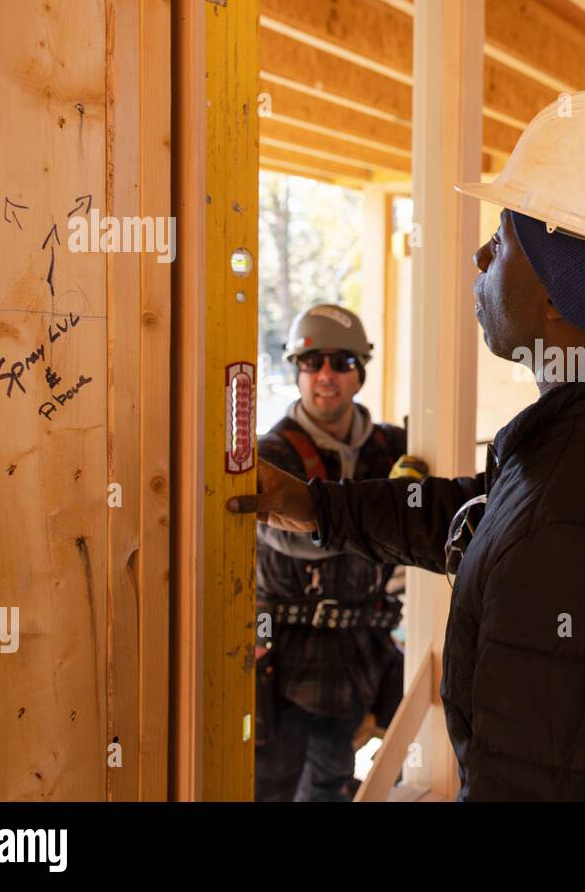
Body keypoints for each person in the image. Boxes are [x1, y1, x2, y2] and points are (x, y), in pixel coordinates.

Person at [229, 90, 585, 801]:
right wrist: (309, 504)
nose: (481, 255)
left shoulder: (580, 539)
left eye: (504, 239)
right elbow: (480, 514)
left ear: (562, 291)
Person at [254, 304, 409, 802]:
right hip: (284, 655)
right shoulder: (269, 455)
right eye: (312, 362)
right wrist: (388, 519)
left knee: (330, 783)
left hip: (361, 650)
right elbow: (288, 539)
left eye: (341, 362)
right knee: (271, 786)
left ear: (359, 372)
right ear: (296, 370)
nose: (326, 375)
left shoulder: (392, 449)